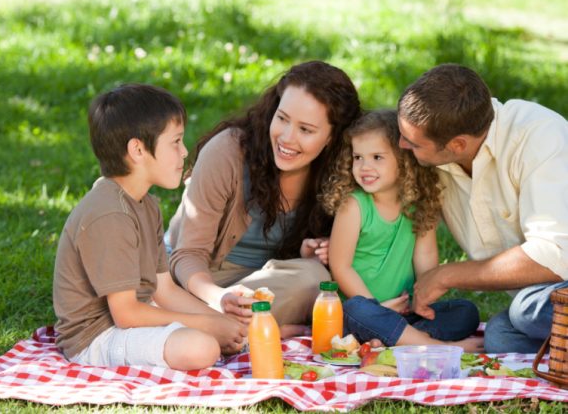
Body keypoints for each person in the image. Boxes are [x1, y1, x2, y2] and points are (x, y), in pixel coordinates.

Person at [53, 84, 246, 370]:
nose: (184, 152)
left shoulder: (147, 204)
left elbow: (164, 290)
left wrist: (219, 321)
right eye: (176, 142)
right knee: (202, 347)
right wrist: (208, 325)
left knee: (228, 331)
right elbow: (126, 314)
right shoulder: (110, 214)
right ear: (138, 149)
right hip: (95, 337)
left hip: (135, 317)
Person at [166, 61, 362, 336]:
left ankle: (217, 327)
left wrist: (315, 251)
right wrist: (218, 297)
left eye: (305, 130)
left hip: (265, 287)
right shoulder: (228, 152)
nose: (286, 138)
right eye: (282, 118)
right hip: (199, 279)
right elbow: (187, 254)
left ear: (332, 137)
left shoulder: (343, 173)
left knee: (314, 278)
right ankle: (262, 328)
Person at [397, 63, 568, 353]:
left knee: (526, 311)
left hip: (554, 280)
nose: (400, 144)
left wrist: (446, 275)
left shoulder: (540, 136)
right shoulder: (438, 154)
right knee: (501, 337)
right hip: (549, 294)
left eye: (413, 143)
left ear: (458, 144)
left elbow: (555, 254)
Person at [322, 110, 482, 351]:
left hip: (404, 312)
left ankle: (396, 340)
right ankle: (436, 347)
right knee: (357, 310)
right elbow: (340, 266)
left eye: (377, 157)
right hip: (362, 314)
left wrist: (423, 301)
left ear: (404, 160)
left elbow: (426, 258)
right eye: (358, 157)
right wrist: (376, 307)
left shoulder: (419, 204)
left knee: (465, 312)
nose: (364, 166)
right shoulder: (353, 205)